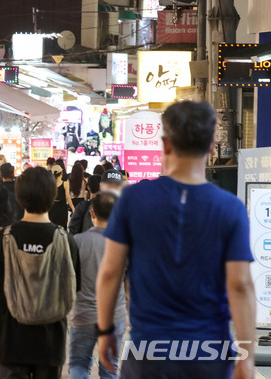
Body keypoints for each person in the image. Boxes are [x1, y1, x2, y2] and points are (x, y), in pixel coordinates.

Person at [96, 101, 255, 378]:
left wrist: (105, 329)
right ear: (210, 147)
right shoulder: (230, 208)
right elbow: (240, 285)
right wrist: (247, 357)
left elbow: (110, 272)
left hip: (148, 352)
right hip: (210, 352)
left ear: (166, 144)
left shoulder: (133, 199)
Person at [0, 167, 81, 378]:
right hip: (52, 342)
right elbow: (72, 289)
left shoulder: (2, 239)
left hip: (10, 341)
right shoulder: (65, 240)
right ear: (52, 197)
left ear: (20, 197)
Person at [69, 192, 125, 379]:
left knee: (79, 364)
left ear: (92, 214)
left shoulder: (77, 242)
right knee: (110, 369)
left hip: (83, 316)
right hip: (114, 317)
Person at [49, 164, 72, 229]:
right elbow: (67, 197)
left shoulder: (50, 184)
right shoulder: (65, 184)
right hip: (62, 207)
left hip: (52, 207)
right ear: (61, 173)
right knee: (62, 227)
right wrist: (73, 208)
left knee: (52, 227)